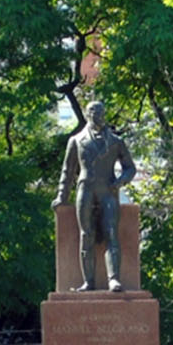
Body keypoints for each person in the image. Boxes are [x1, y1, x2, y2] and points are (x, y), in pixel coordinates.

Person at [53, 101, 136, 292]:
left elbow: (130, 167)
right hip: (86, 190)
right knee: (86, 234)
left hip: (109, 190)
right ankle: (88, 281)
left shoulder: (115, 141)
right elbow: (68, 170)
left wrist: (121, 181)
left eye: (101, 111)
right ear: (87, 113)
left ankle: (114, 279)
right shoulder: (76, 140)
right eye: (94, 111)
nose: (98, 114)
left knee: (112, 233)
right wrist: (61, 196)